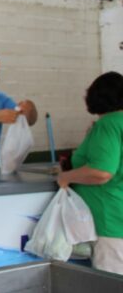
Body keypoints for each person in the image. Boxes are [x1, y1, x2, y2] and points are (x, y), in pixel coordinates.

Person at [57, 71, 123, 275]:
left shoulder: (108, 124)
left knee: (110, 283)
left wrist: (65, 177)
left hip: (110, 220)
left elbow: (102, 172)